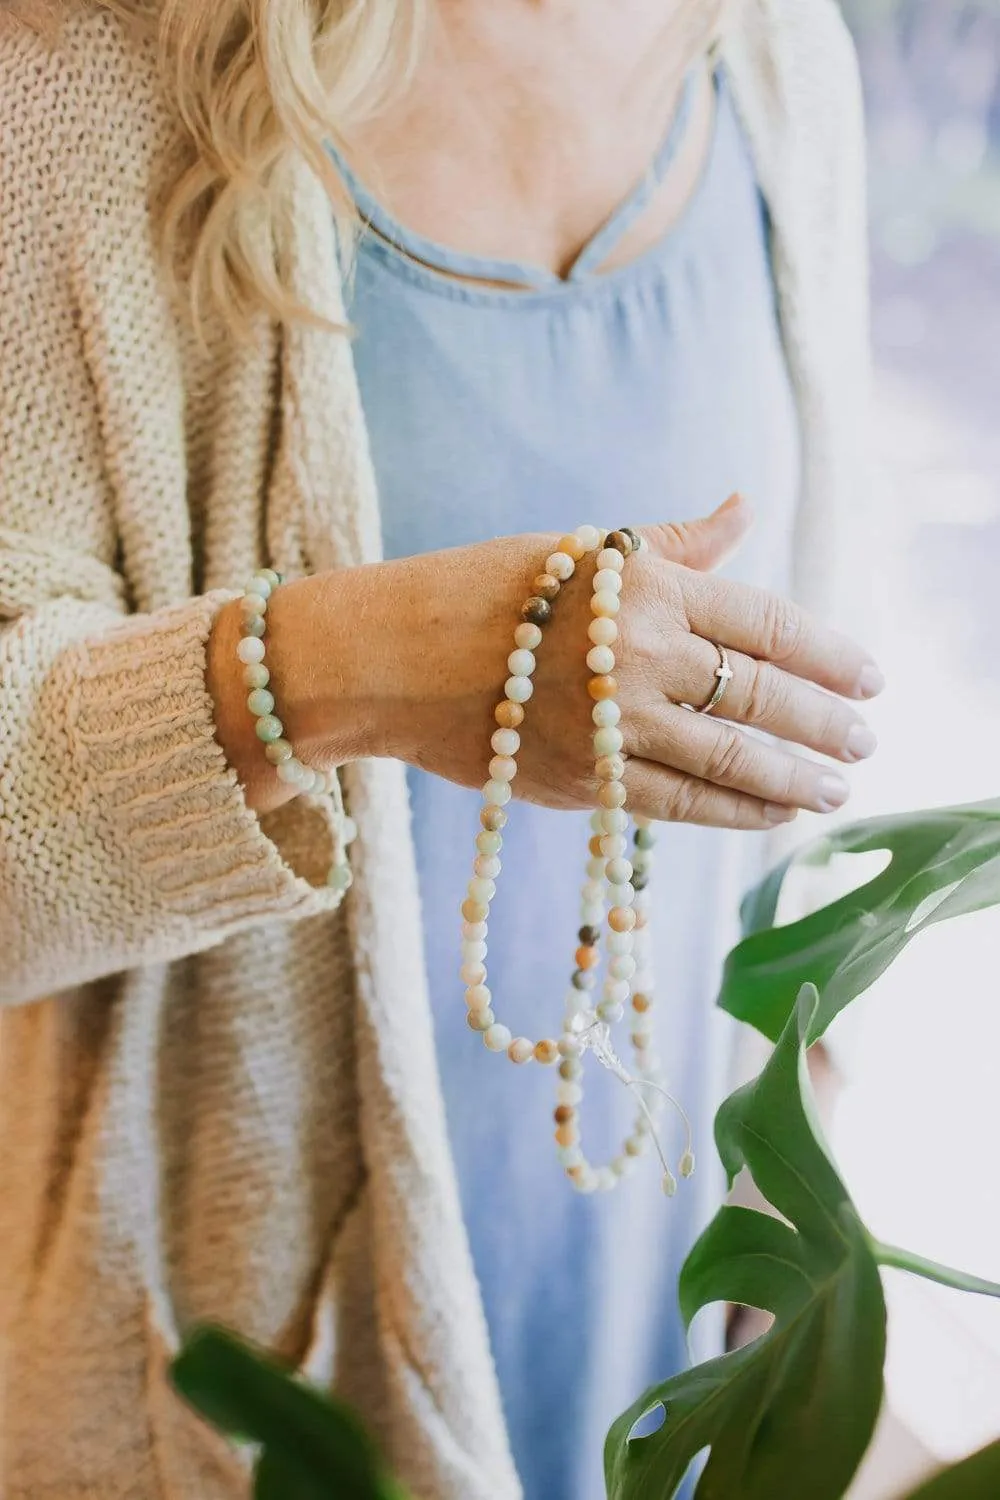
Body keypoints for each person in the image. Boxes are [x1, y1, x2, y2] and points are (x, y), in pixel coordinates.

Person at [0, 1, 880, 1496]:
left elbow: (811, 735)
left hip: (651, 1306)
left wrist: (794, 1177)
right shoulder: (79, 87)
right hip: (233, 1404)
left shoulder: (779, 54)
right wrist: (345, 667)